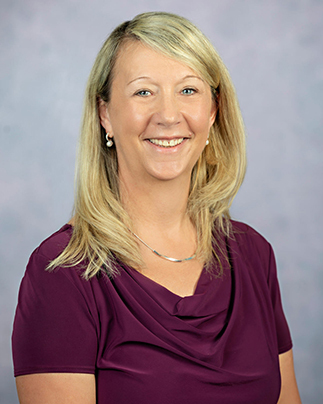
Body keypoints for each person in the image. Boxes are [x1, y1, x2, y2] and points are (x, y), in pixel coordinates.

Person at [12, 11, 302, 404]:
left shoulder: (254, 255)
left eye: (188, 91)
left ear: (213, 112)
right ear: (105, 114)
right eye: (143, 92)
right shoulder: (63, 274)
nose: (168, 116)